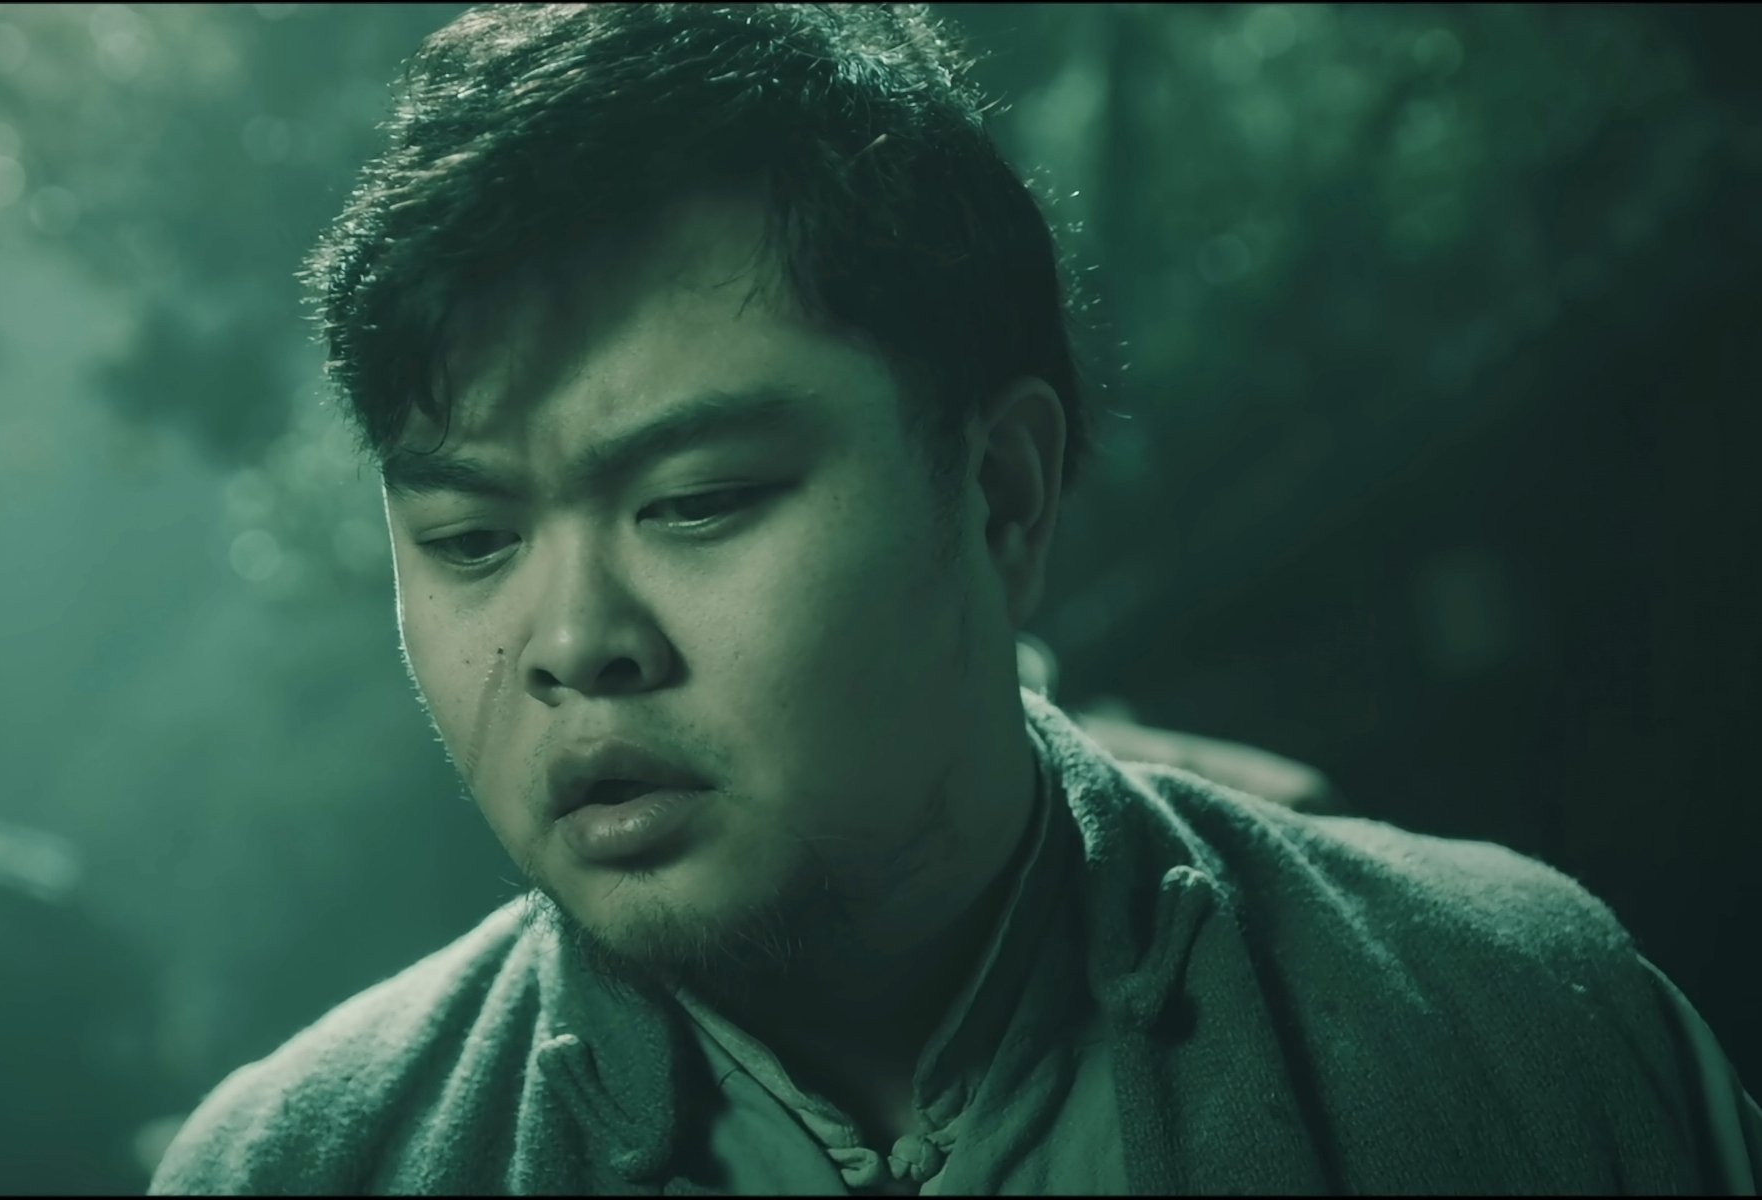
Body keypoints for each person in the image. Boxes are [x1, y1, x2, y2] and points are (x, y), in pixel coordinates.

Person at [151, 5, 1759, 1194]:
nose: (574, 644)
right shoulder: (306, 1164)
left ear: (1001, 493)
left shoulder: (1515, 1032)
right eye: (469, 537)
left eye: (697, 500)